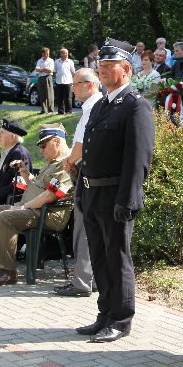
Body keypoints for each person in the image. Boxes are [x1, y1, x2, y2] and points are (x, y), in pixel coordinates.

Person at [74, 38, 155, 343]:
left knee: (117, 258)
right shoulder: (101, 104)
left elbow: (138, 157)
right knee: (99, 257)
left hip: (115, 196)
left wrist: (129, 198)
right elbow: (89, 152)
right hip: (93, 193)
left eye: (110, 66)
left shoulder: (135, 105)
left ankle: (121, 318)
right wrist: (82, 192)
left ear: (127, 69)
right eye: (101, 65)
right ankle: (104, 313)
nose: (103, 70)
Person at [0, 123, 73, 286]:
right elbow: (38, 184)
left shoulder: (65, 164)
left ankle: (8, 271)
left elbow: (50, 195)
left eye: (44, 145)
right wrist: (25, 172)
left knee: (5, 217)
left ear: (57, 141)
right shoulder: (53, 161)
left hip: (46, 214)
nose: (41, 150)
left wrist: (23, 207)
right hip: (33, 209)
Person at [54, 68, 103, 297]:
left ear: (89, 84)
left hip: (87, 170)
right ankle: (89, 279)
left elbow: (82, 143)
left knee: (85, 228)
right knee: (88, 227)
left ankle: (82, 281)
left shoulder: (94, 106)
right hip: (89, 170)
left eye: (76, 84)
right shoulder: (92, 106)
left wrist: (70, 161)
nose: (72, 88)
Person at [54, 47, 76, 114]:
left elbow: (73, 72)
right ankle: (60, 111)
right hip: (59, 82)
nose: (66, 54)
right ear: (61, 54)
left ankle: (68, 111)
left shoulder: (70, 62)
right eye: (65, 53)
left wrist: (73, 80)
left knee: (68, 98)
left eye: (67, 53)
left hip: (68, 82)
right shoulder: (57, 62)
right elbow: (55, 71)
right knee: (60, 98)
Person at [35, 47, 55, 114]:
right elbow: (37, 69)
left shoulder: (51, 60)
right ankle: (44, 110)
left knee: (49, 94)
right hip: (40, 78)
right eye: (46, 53)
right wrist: (45, 68)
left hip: (48, 77)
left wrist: (42, 69)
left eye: (48, 53)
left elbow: (50, 70)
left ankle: (50, 110)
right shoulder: (39, 61)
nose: (48, 55)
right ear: (43, 54)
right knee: (42, 94)